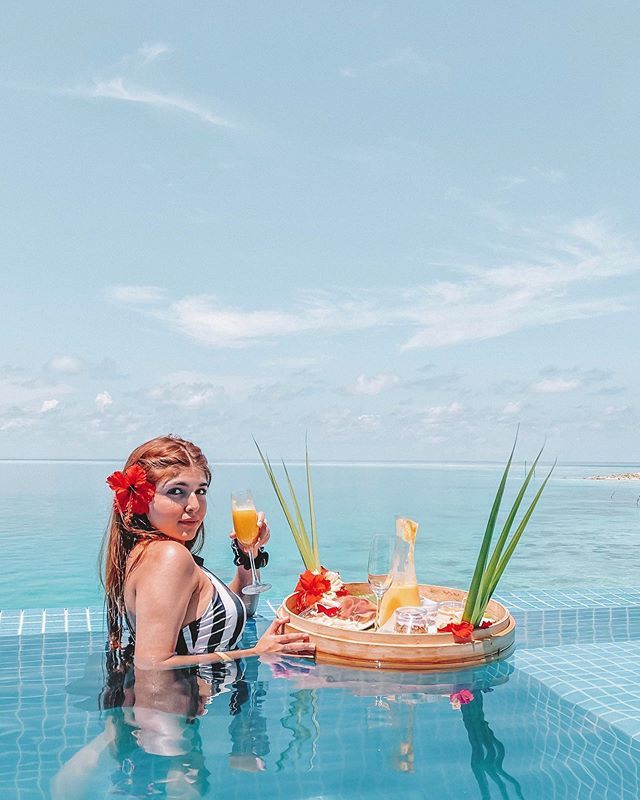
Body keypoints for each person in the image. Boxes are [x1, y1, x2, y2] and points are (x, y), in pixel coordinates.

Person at [99, 434, 315, 669]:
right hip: (178, 702)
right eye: (176, 491)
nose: (194, 505)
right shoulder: (168, 557)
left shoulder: (150, 552)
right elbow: (153, 663)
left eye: (200, 491)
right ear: (141, 499)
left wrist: (248, 554)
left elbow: (236, 610)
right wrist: (256, 652)